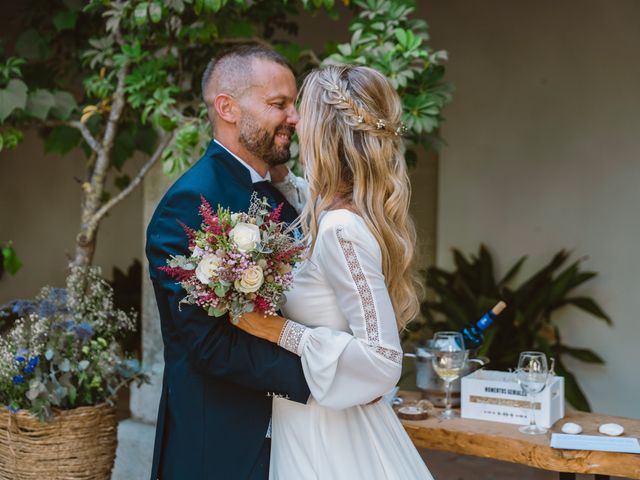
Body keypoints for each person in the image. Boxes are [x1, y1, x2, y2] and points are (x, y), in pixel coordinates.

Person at [235, 65, 435, 479]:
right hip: (308, 418)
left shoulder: (340, 228)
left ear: (323, 133)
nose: (294, 121)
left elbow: (382, 360)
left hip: (330, 436)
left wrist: (279, 331)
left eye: (302, 112)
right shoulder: (333, 210)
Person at [145, 46, 311, 480]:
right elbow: (209, 344)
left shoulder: (281, 197)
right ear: (228, 108)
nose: (294, 117)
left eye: (293, 105)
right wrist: (323, 373)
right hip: (220, 448)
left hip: (293, 438)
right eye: (279, 105)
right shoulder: (189, 203)